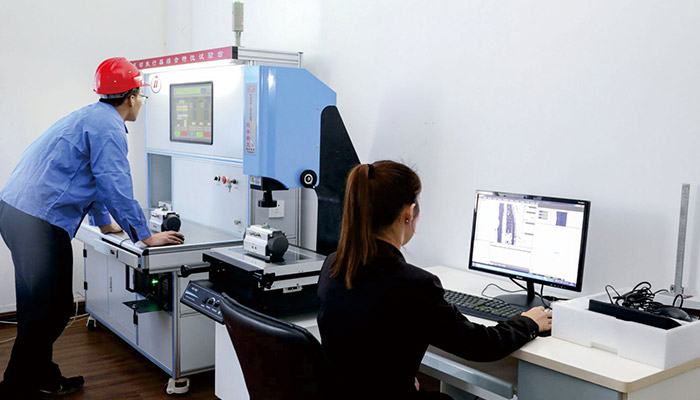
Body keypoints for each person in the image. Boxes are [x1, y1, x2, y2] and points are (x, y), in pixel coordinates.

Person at [0, 57, 183, 399]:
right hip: (38, 221)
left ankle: (43, 377)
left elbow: (94, 178)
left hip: (15, 211)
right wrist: (144, 235)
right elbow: (114, 183)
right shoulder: (108, 127)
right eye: (141, 95)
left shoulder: (91, 117)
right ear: (131, 97)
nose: (141, 102)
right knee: (52, 310)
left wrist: (105, 223)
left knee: (35, 306)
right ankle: (15, 387)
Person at [317, 160, 552, 400]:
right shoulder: (415, 285)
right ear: (409, 213)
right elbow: (481, 346)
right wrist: (528, 323)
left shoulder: (333, 265)